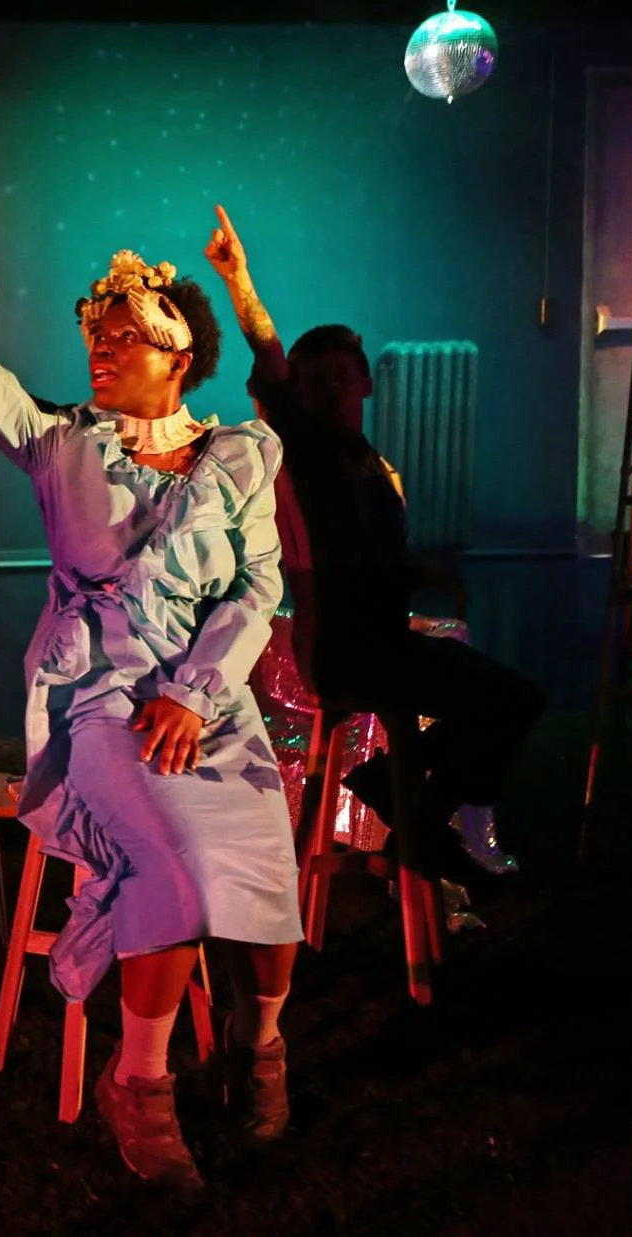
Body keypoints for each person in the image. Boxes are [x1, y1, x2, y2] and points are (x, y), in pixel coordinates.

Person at [0, 193, 301, 1192]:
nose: (100, 350)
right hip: (100, 701)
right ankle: (141, 1080)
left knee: (268, 886)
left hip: (210, 705)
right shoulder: (58, 442)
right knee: (176, 858)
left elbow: (258, 589)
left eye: (122, 336)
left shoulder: (242, 458)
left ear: (177, 353)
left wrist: (197, 693)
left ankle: (258, 1048)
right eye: (94, 335)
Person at [204, 207, 540, 884]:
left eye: (339, 376)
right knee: (507, 699)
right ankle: (412, 813)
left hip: (379, 645)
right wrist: (239, 280)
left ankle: (407, 805)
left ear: (365, 382)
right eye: (314, 379)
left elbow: (369, 551)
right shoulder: (307, 448)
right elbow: (268, 360)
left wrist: (422, 572)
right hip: (344, 652)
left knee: (512, 698)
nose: (328, 388)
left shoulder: (370, 464)